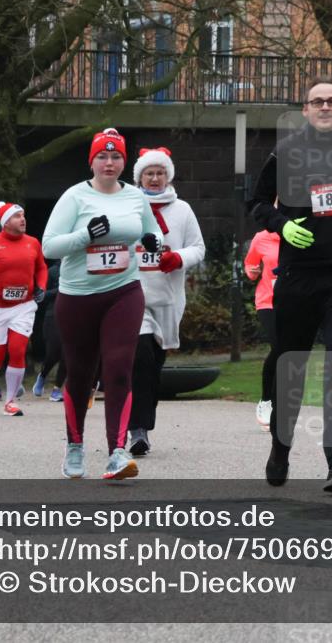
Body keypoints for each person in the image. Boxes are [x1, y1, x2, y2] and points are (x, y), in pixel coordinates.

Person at [246, 77, 332, 493]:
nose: (324, 107)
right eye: (316, 101)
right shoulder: (286, 152)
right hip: (299, 277)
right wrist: (282, 227)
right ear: (305, 109)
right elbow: (257, 203)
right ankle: (280, 449)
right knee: (292, 367)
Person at [42, 127, 163, 480]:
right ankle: (75, 446)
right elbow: (49, 247)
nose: (109, 163)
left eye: (116, 157)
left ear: (124, 162)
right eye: (102, 156)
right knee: (80, 374)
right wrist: (84, 236)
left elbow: (148, 230)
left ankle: (117, 452)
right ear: (91, 161)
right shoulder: (75, 197)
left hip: (123, 291)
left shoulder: (136, 197)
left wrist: (153, 241)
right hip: (78, 296)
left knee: (119, 368)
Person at [126, 147, 205, 456]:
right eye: (149, 173)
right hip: (133, 295)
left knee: (154, 364)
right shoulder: (127, 206)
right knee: (141, 357)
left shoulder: (183, 209)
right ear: (139, 177)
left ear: (168, 176)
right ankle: (138, 430)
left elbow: (198, 248)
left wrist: (178, 258)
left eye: (160, 173)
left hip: (169, 300)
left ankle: (142, 417)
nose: (155, 178)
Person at [0, 202, 48, 417]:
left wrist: (41, 287)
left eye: (23, 215)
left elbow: (41, 267)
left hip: (23, 306)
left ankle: (10, 401)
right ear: (5, 222)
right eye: (17, 216)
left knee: (18, 350)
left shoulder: (32, 243)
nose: (23, 219)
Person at [244, 225, 280, 431]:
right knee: (279, 347)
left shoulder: (304, 232)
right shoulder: (262, 238)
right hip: (268, 301)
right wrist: (253, 271)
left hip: (295, 301)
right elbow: (250, 265)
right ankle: (266, 401)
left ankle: (280, 404)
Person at [32, 260, 66, 402]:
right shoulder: (52, 271)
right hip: (53, 315)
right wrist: (62, 289)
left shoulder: (81, 266)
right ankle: (43, 375)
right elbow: (41, 295)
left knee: (67, 354)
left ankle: (57, 389)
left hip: (75, 314)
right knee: (54, 352)